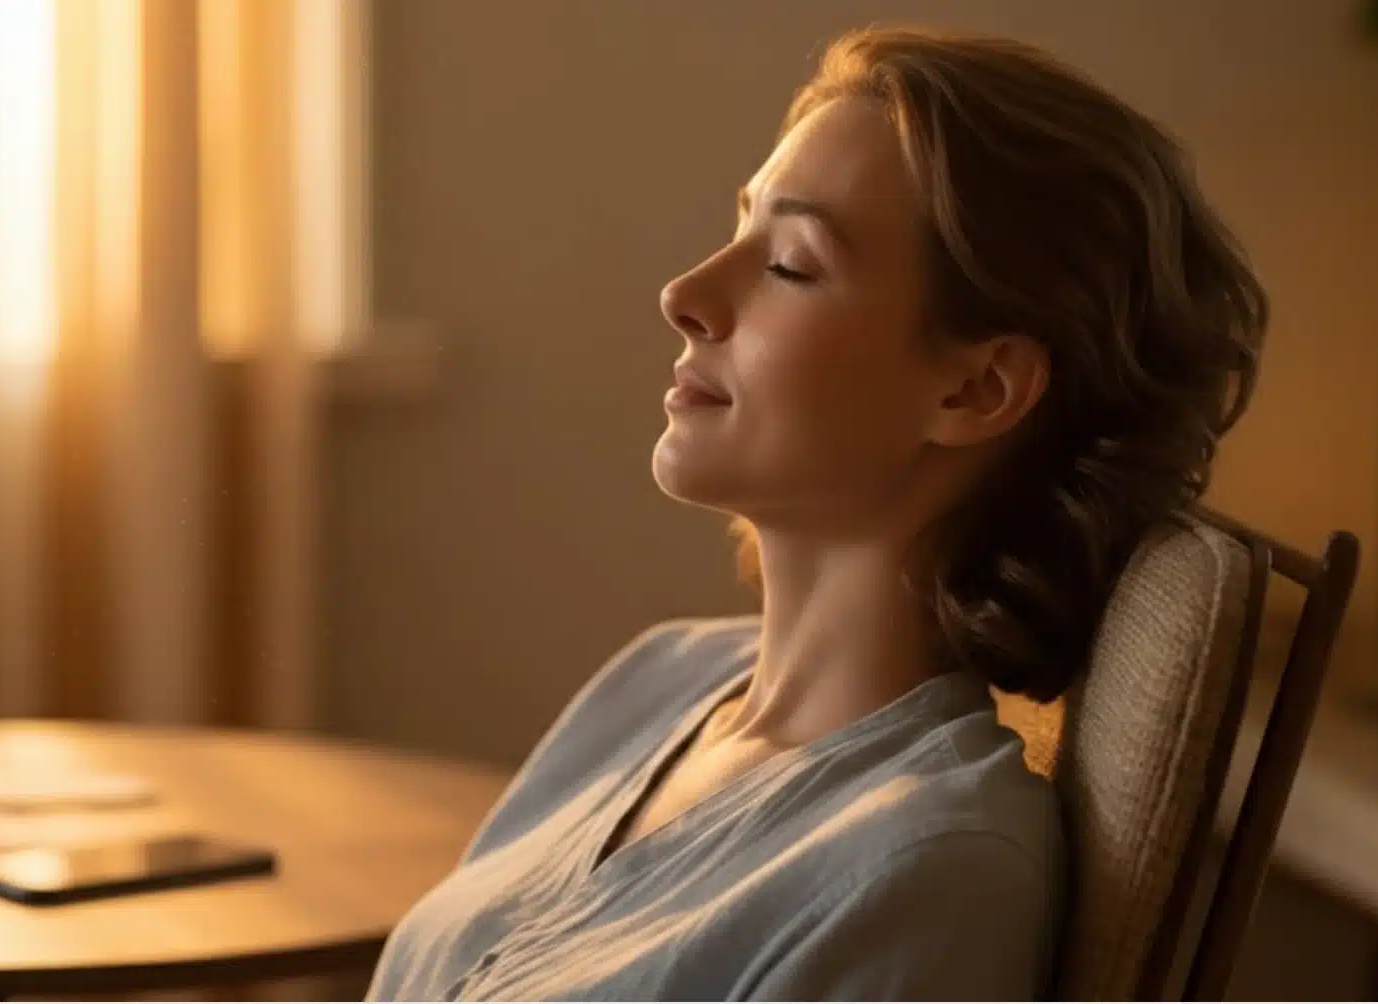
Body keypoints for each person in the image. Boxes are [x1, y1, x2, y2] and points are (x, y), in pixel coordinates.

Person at [366, 25, 1265, 1002]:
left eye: (790, 263)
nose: (686, 294)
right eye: (739, 226)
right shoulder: (660, 679)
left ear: (976, 389)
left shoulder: (925, 873)